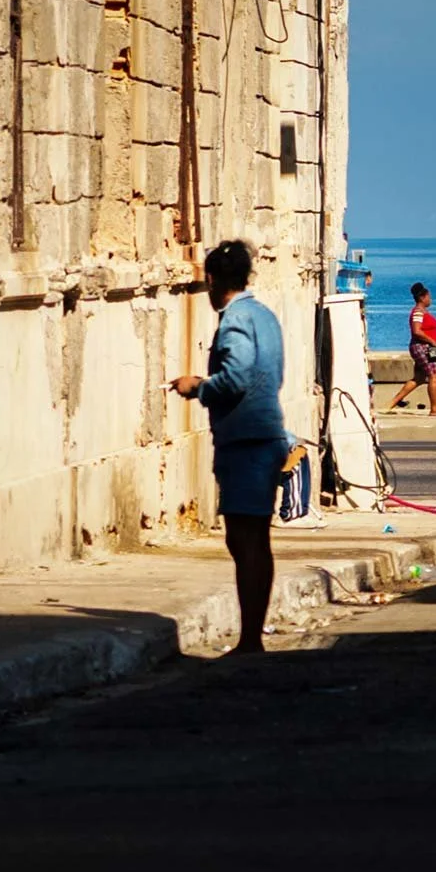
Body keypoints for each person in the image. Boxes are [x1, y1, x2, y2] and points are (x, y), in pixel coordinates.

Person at [170, 240, 289, 656]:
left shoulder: (235, 319)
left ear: (213, 280)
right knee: (255, 538)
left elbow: (237, 376)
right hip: (267, 435)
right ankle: (252, 634)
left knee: (244, 540)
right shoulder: (265, 316)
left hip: (246, 441)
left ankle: (251, 639)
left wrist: (198, 388)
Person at [387, 281, 436, 416]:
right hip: (422, 347)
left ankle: (391, 404)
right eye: (428, 297)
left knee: (419, 378)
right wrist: (433, 342)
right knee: (433, 376)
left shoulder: (422, 312)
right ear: (422, 298)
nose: (430, 300)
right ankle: (434, 409)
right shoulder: (418, 312)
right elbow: (417, 331)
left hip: (425, 347)